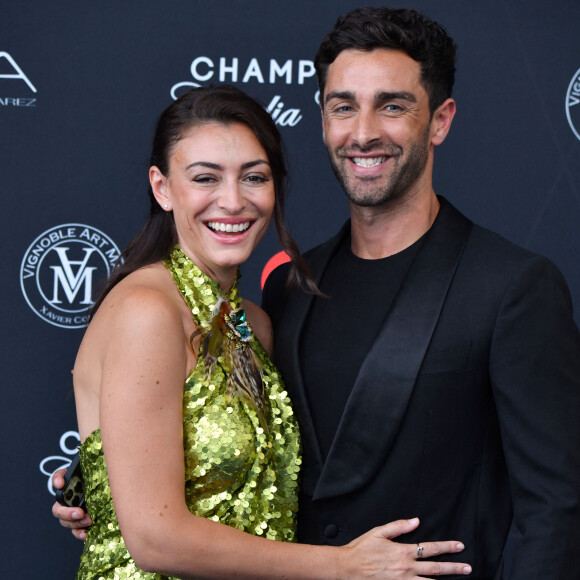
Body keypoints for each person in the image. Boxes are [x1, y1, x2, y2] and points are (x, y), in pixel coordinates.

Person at [52, 84, 472, 579]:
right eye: (205, 178)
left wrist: (84, 481)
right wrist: (344, 567)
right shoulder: (146, 311)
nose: (232, 202)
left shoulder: (256, 322)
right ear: (163, 188)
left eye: (254, 177)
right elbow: (154, 539)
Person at [261, 7, 580, 580]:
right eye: (343, 107)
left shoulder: (514, 288)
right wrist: (113, 489)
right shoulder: (290, 286)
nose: (362, 133)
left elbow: (555, 510)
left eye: (392, 105)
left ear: (440, 120)